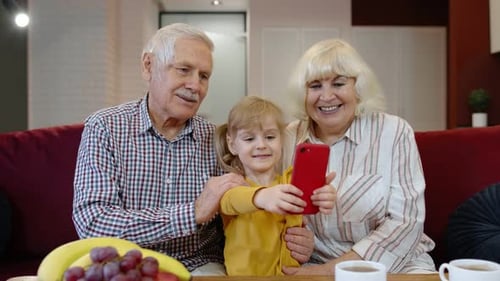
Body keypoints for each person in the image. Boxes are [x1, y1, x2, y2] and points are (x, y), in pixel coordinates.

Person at [72, 23, 314, 275]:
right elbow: (93, 223)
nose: (195, 86)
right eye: (184, 70)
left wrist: (296, 236)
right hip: (126, 263)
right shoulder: (105, 126)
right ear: (148, 66)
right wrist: (193, 212)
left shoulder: (216, 138)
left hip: (199, 264)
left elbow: (255, 200)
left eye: (204, 76)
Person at [281, 38, 436, 275]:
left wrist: (332, 270)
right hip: (312, 264)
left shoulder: (394, 131)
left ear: (359, 88)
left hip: (398, 263)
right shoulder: (287, 138)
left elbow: (406, 222)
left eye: (339, 83)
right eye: (315, 86)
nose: (326, 96)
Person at [214, 96, 336, 275]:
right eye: (249, 139)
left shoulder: (291, 182)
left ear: (281, 140)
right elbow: (231, 201)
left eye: (270, 137)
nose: (261, 145)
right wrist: (261, 197)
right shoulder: (232, 185)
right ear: (232, 145)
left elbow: (310, 200)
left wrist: (324, 196)